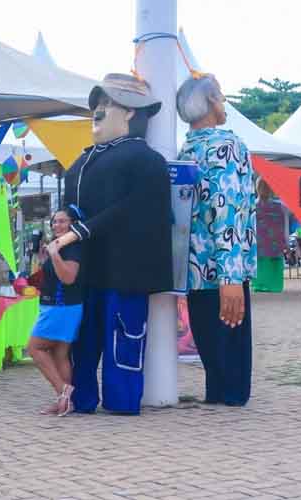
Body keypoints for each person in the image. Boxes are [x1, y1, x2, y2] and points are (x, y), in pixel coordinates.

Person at [55, 73, 173, 415]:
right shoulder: (84, 160)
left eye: (107, 103)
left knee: (124, 337)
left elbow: (133, 209)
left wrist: (82, 231)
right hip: (86, 270)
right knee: (83, 340)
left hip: (127, 271)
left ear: (132, 112)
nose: (99, 110)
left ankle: (122, 401)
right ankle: (83, 397)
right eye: (98, 103)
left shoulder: (146, 160)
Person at [177, 73, 257, 407]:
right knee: (233, 383)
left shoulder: (185, 149)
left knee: (216, 369)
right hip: (225, 273)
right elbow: (228, 213)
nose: (224, 102)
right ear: (210, 101)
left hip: (194, 273)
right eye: (221, 96)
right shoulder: (227, 146)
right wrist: (232, 278)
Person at [27, 207, 83, 417]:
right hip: (61, 306)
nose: (56, 225)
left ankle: (63, 391)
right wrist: (46, 258)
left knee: (34, 348)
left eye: (62, 221)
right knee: (60, 354)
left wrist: (54, 254)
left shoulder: (71, 248)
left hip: (61, 307)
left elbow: (68, 277)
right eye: (54, 222)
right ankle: (65, 402)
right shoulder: (60, 246)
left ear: (73, 224)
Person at [253, 179, 286, 293]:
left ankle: (260, 284)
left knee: (261, 264)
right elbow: (285, 225)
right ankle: (274, 285)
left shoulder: (252, 206)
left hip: (259, 243)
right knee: (273, 263)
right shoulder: (280, 206)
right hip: (275, 243)